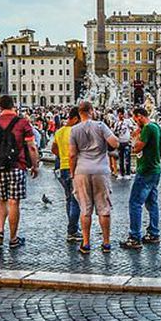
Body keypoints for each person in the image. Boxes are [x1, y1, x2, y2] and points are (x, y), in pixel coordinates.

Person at [0, 95, 40, 248]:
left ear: (0, 107)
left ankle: (0, 230)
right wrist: (35, 165)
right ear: (13, 105)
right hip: (16, 166)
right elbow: (32, 147)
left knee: (1, 199)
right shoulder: (22, 122)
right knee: (14, 202)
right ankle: (13, 238)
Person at [68, 101, 119, 254]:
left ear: (79, 112)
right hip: (101, 170)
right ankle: (106, 243)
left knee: (85, 209)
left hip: (81, 170)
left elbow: (72, 155)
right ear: (91, 110)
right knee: (104, 208)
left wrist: (72, 173)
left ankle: (86, 243)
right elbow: (115, 143)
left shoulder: (74, 130)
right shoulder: (100, 126)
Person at [121, 107, 161, 250]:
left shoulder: (147, 128)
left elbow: (136, 148)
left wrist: (136, 136)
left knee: (135, 203)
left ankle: (135, 237)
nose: (135, 122)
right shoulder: (157, 126)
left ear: (139, 116)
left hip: (145, 170)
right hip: (155, 169)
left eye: (135, 119)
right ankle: (153, 233)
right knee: (152, 203)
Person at [50, 108, 83, 243]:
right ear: (75, 118)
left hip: (63, 167)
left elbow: (53, 149)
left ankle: (73, 227)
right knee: (76, 200)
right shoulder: (75, 131)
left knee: (69, 199)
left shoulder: (60, 131)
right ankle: (72, 230)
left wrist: (62, 156)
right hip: (74, 167)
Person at [114, 110, 136, 178]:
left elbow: (132, 129)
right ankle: (121, 173)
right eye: (120, 114)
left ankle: (128, 173)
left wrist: (131, 138)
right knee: (121, 159)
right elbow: (114, 132)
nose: (121, 116)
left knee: (127, 158)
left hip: (127, 142)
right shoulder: (116, 123)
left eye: (122, 114)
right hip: (120, 142)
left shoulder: (128, 121)